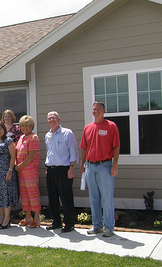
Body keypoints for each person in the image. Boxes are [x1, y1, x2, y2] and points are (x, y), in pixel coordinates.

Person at [80, 101, 120, 237]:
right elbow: (84, 148)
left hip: (105, 166)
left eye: (98, 109)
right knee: (94, 197)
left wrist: (115, 165)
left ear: (103, 111)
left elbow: (116, 147)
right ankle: (97, 225)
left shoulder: (111, 126)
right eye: (94, 109)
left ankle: (109, 227)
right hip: (90, 166)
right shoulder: (87, 128)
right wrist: (82, 165)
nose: (95, 111)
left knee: (107, 198)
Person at [45, 111, 78, 233]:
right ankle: (56, 222)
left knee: (66, 198)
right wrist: (48, 168)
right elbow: (49, 153)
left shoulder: (67, 133)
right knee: (52, 198)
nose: (51, 120)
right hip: (51, 170)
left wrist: (72, 168)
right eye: (49, 118)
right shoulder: (48, 135)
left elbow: (73, 152)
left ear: (58, 119)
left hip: (64, 170)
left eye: (53, 118)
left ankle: (69, 223)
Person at [15, 115, 41, 228]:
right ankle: (28, 216)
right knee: (24, 194)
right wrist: (16, 164)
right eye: (22, 126)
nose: (25, 128)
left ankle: (37, 218)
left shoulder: (34, 137)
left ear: (32, 126)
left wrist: (20, 165)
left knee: (32, 193)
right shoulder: (21, 138)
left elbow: (31, 155)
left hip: (30, 170)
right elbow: (17, 152)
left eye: (27, 125)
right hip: (21, 171)